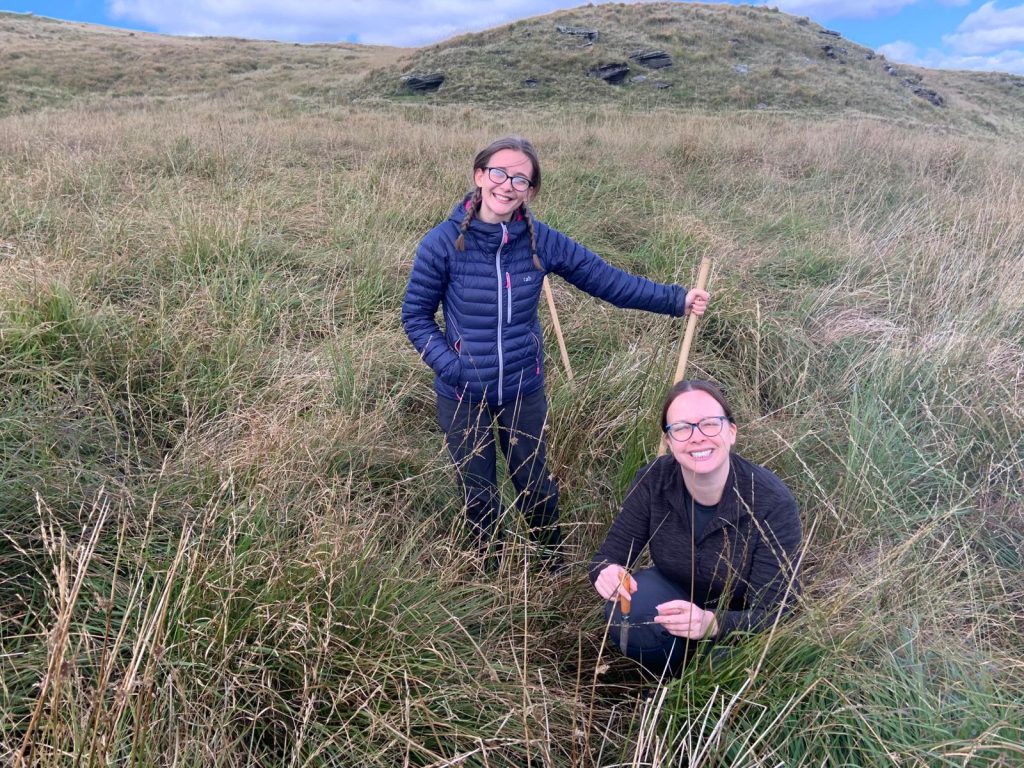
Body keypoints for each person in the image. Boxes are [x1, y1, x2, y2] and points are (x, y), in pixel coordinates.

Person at [401, 136, 710, 568]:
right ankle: (487, 567)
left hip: (523, 388)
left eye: (520, 179)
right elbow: (415, 316)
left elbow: (607, 281)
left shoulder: (541, 241)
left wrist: (676, 300)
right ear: (479, 176)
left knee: (535, 485)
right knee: (477, 488)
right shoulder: (442, 243)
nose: (507, 185)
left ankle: (549, 563)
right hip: (461, 394)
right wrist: (452, 368)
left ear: (530, 190)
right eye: (499, 173)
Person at [590, 380, 802, 677]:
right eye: (682, 428)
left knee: (730, 667)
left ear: (731, 432)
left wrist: (710, 623)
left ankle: (700, 685)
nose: (697, 437)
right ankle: (668, 675)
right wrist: (608, 573)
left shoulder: (771, 502)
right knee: (630, 613)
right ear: (668, 441)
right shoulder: (654, 480)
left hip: (739, 624)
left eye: (709, 424)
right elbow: (607, 558)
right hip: (674, 596)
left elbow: (779, 611)